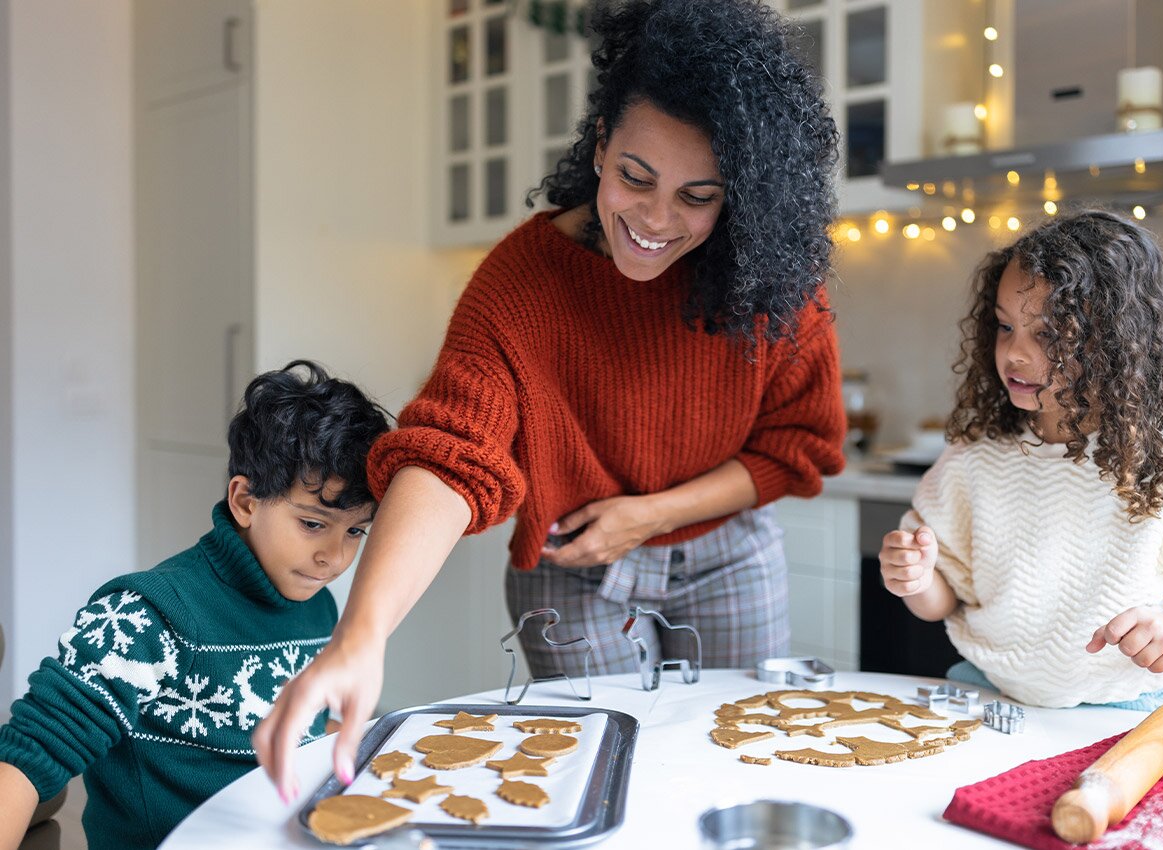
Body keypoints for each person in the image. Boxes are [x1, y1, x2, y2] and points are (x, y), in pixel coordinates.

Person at [254, 0, 845, 798]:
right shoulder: (522, 285)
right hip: (572, 572)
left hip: (729, 554)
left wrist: (652, 513)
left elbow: (797, 447)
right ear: (600, 144)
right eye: (636, 176)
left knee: (739, 768)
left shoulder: (776, 291)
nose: (655, 219)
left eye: (697, 196)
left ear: (736, 195)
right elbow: (449, 456)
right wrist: (362, 634)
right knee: (604, 777)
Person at [879, 210, 1163, 709]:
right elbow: (946, 598)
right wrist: (917, 580)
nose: (1015, 353)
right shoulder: (975, 458)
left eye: (1047, 334)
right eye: (1005, 327)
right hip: (987, 691)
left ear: (1116, 341)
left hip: (1126, 704)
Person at [0, 360, 389, 850]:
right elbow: (28, 759)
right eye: (313, 524)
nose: (334, 558)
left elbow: (320, 732)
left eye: (355, 531)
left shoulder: (321, 609)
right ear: (245, 501)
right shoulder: (143, 614)